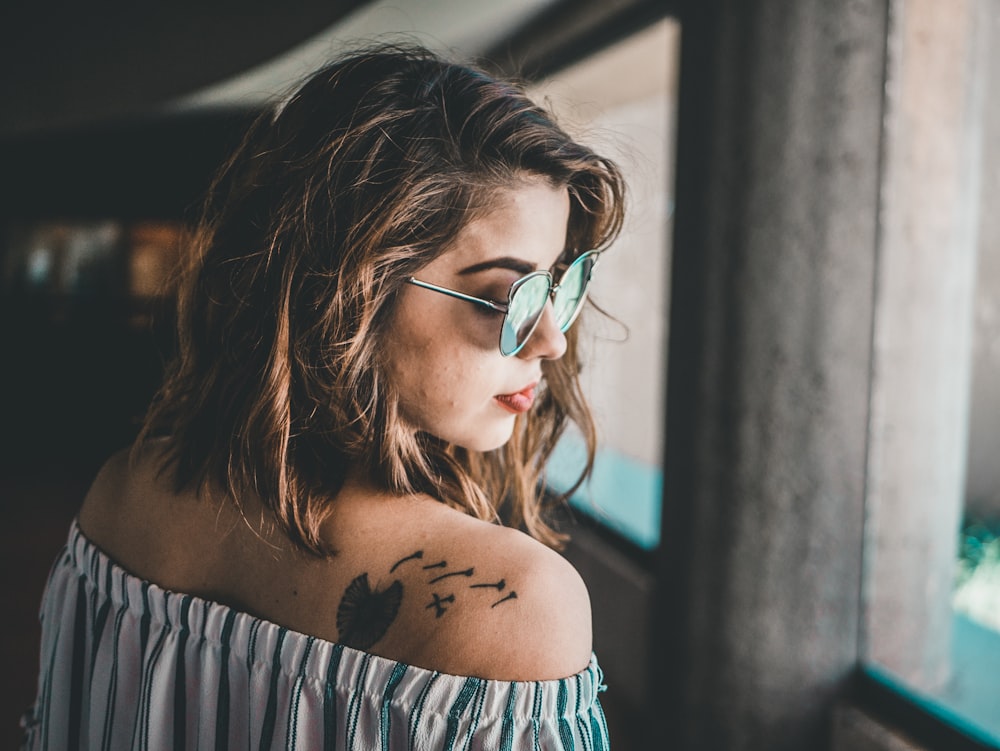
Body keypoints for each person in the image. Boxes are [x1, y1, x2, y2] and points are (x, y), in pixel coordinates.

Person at [22, 44, 625, 750]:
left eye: (559, 282)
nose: (551, 339)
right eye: (506, 295)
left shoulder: (122, 492)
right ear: (347, 292)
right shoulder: (517, 607)